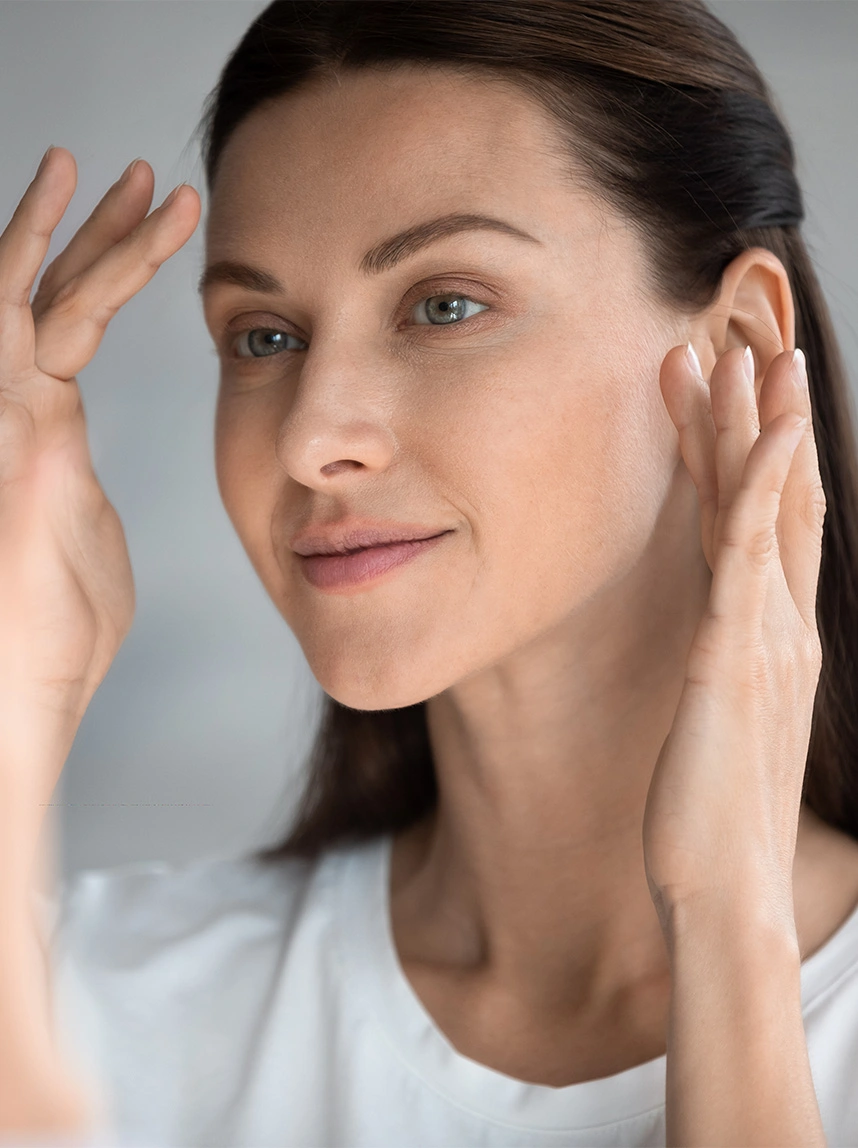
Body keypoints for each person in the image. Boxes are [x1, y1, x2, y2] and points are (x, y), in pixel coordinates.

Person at [2, 1, 858, 1145]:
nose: (312, 437)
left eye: (445, 304)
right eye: (264, 334)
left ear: (739, 345)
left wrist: (731, 930)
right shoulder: (81, 1004)